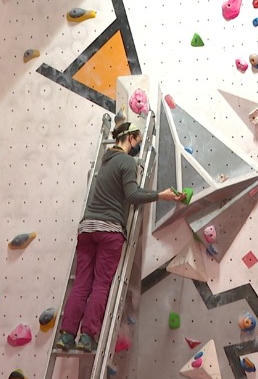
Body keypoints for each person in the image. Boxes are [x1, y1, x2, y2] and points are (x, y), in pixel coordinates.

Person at [55, 120, 183, 353]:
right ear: (131, 138)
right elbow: (132, 195)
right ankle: (87, 337)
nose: (138, 145)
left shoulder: (107, 161)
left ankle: (66, 335)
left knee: (82, 283)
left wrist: (159, 194)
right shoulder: (127, 162)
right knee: (101, 284)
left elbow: (128, 191)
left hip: (87, 228)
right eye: (138, 140)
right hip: (109, 230)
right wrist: (160, 196)